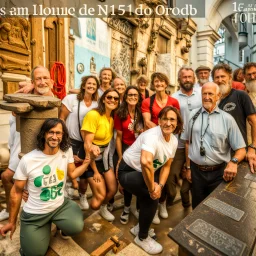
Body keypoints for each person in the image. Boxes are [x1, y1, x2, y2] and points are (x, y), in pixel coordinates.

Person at [0, 118, 99, 256]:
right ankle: (42, 228)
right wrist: (12, 221)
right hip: (35, 214)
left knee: (76, 227)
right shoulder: (28, 160)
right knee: (33, 253)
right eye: (50, 132)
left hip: (59, 205)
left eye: (58, 133)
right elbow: (16, 192)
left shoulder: (66, 151)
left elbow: (72, 174)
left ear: (63, 135)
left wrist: (87, 163)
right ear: (44, 134)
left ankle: (60, 225)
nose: (54, 136)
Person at [118, 106, 183, 254]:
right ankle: (142, 237)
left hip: (143, 172)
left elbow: (166, 166)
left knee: (154, 192)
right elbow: (146, 162)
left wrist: (159, 185)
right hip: (128, 172)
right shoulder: (152, 136)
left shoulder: (173, 140)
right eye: (164, 119)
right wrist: (152, 188)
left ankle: (140, 227)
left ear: (177, 123)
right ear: (159, 121)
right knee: (152, 197)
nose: (168, 123)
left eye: (172, 119)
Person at [0, 66, 54, 221]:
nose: (42, 82)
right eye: (38, 79)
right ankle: (12, 210)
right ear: (32, 81)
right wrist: (28, 87)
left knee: (8, 177)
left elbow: (48, 94)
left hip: (31, 148)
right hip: (17, 144)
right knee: (10, 179)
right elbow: (10, 99)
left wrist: (36, 85)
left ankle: (18, 211)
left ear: (51, 81)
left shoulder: (50, 98)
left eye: (45, 78)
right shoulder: (24, 96)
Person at [182, 82, 246, 209]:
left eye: (210, 94)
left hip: (219, 173)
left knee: (218, 208)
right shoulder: (192, 115)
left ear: (218, 96)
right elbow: (188, 143)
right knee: (197, 208)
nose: (206, 97)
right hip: (196, 172)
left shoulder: (227, 119)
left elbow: (241, 149)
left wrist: (233, 162)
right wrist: (188, 168)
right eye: (204, 94)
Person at [141, 72, 180, 224]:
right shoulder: (147, 102)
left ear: (166, 83)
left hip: (168, 141)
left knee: (166, 173)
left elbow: (175, 120)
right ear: (153, 84)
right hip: (153, 140)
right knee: (151, 173)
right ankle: (154, 207)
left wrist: (166, 131)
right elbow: (147, 121)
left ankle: (162, 203)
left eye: (161, 81)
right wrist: (162, 130)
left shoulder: (173, 101)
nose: (159, 84)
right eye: (156, 82)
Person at [59, 75, 99, 210]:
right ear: (83, 85)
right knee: (69, 170)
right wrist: (64, 138)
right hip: (71, 140)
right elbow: (62, 118)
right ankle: (67, 196)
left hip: (87, 142)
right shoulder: (71, 99)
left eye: (94, 84)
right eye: (89, 83)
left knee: (84, 173)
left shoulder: (97, 104)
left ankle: (82, 196)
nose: (91, 86)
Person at [81, 88, 120, 221]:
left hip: (103, 158)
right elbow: (87, 145)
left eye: (116, 98)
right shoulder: (94, 115)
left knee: (113, 189)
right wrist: (96, 172)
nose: (112, 100)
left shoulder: (112, 117)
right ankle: (84, 196)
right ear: (103, 99)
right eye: (109, 97)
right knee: (96, 202)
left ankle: (104, 207)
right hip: (90, 159)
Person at [167, 66, 202, 209]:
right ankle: (167, 200)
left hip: (199, 143)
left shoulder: (201, 94)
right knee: (171, 177)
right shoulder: (173, 98)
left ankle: (187, 203)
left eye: (189, 77)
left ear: (194, 79)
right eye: (184, 77)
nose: (187, 79)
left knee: (192, 176)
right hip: (179, 144)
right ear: (179, 79)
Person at [212, 63, 256, 173]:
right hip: (218, 155)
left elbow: (254, 121)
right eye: (217, 77)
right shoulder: (212, 100)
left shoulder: (241, 95)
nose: (220, 80)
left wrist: (252, 148)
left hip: (238, 153)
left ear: (230, 78)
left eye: (223, 76)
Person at [114, 86, 143, 224]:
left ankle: (137, 208)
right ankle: (126, 208)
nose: (132, 97)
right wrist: (120, 157)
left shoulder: (141, 112)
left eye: (135, 95)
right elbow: (118, 137)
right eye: (130, 95)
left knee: (139, 178)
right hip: (126, 149)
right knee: (126, 180)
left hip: (140, 149)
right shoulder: (120, 113)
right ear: (125, 97)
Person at [243, 62, 256, 144]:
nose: (252, 77)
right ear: (244, 76)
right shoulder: (242, 95)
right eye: (249, 74)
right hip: (248, 141)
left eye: (254, 73)